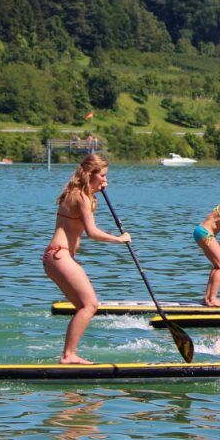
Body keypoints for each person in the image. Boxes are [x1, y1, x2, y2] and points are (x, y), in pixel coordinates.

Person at [43, 153, 131, 364]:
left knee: (83, 306)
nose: (105, 180)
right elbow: (92, 232)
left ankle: (68, 352)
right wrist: (119, 239)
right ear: (90, 174)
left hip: (56, 257)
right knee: (90, 305)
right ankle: (68, 355)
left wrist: (94, 192)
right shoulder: (81, 197)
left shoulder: (75, 193)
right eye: (102, 175)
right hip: (59, 255)